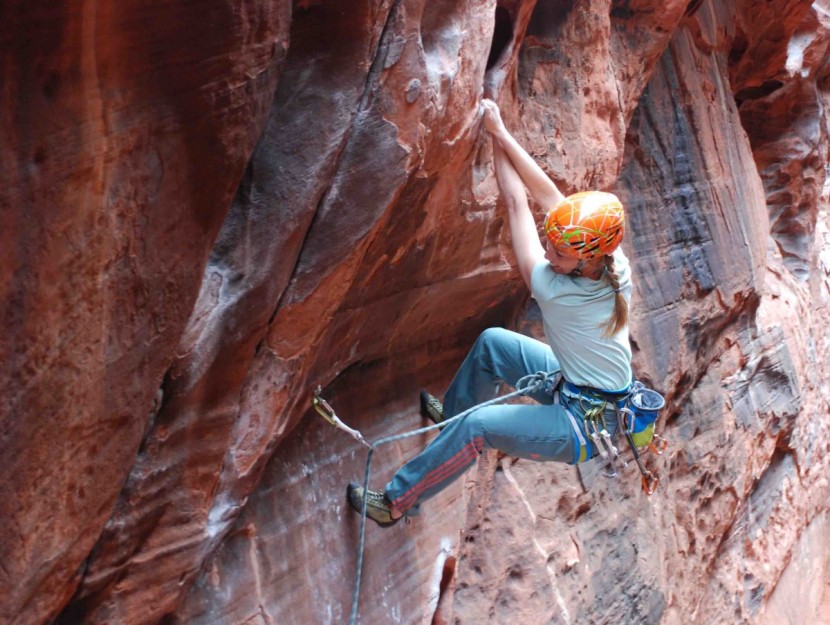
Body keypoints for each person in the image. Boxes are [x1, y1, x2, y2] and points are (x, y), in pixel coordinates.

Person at [346, 99, 633, 527]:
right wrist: (499, 133)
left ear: (582, 259)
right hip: (578, 386)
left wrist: (496, 134)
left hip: (583, 424)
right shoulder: (612, 263)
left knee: (479, 427)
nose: (548, 250)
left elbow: (518, 204)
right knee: (493, 345)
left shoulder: (555, 290)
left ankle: (397, 502)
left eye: (557, 250)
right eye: (550, 244)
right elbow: (547, 198)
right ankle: (453, 422)